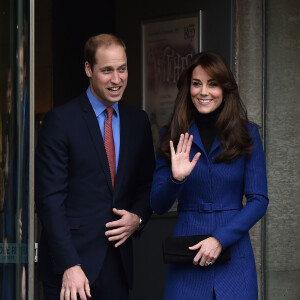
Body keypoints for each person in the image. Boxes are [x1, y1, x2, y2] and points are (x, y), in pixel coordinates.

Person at [35, 33, 155, 300]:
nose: (116, 79)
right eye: (107, 71)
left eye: (122, 69)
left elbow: (147, 183)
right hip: (70, 269)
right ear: (88, 69)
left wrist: (137, 217)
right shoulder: (60, 121)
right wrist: (69, 263)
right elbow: (49, 200)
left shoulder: (138, 121)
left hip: (118, 266)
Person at [150, 51, 268, 300]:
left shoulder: (247, 134)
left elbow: (259, 200)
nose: (204, 92)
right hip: (188, 254)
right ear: (188, 89)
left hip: (234, 257)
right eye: (196, 84)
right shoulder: (171, 134)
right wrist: (176, 179)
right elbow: (158, 205)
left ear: (225, 89)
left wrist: (220, 239)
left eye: (212, 84)